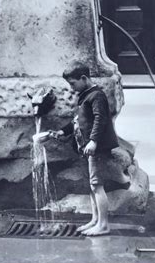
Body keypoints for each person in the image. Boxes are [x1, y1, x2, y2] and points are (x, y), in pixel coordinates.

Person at [45, 61, 119, 236]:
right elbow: (78, 122)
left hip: (98, 149)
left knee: (97, 186)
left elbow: (101, 119)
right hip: (88, 148)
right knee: (92, 186)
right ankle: (95, 220)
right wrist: (62, 131)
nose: (71, 87)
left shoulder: (97, 96)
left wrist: (93, 141)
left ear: (84, 78)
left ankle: (104, 224)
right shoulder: (85, 95)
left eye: (73, 83)